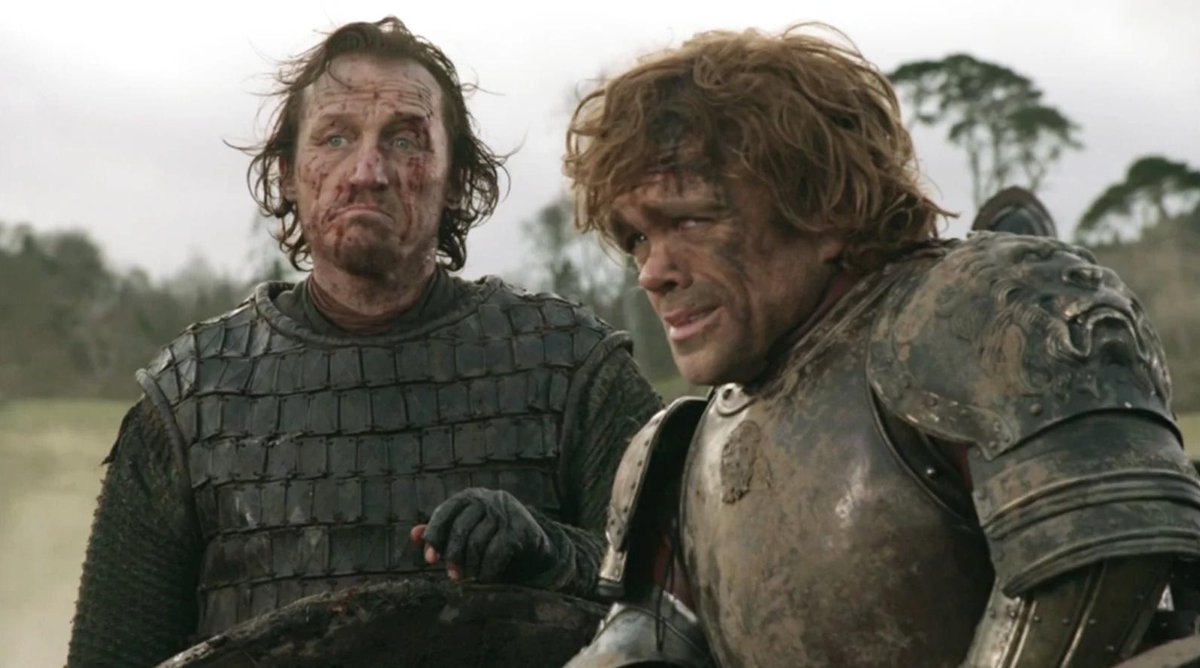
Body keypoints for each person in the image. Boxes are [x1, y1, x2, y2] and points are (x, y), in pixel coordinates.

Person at [561, 23, 1200, 667]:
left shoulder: (983, 319)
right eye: (638, 238)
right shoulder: (677, 454)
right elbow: (644, 644)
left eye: (690, 219)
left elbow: (1100, 560)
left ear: (824, 205)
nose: (653, 272)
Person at [66, 17, 660, 667]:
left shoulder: (571, 368)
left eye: (404, 140)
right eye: (336, 137)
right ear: (289, 174)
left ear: (456, 181)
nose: (367, 171)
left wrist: (555, 556)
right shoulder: (191, 400)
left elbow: (680, 609)